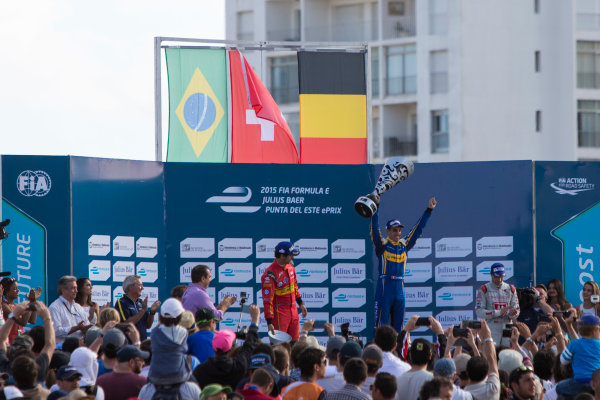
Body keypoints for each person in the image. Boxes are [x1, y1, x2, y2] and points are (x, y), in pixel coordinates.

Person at [370, 197, 436, 331]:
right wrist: (376, 208)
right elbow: (374, 229)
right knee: (380, 325)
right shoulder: (382, 245)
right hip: (384, 287)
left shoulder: (404, 245)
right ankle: (379, 351)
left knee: (399, 326)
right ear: (388, 231)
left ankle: (398, 351)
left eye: (399, 230)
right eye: (394, 230)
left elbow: (418, 229)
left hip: (399, 288)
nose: (398, 233)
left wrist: (429, 210)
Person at [193, 304, 261, 389]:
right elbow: (249, 346)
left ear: (213, 346)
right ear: (231, 348)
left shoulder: (199, 371)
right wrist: (255, 321)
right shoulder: (239, 366)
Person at [262, 241, 307, 340]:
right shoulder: (270, 274)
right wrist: (269, 322)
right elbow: (267, 300)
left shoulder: (290, 265)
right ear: (282, 256)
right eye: (291, 255)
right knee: (280, 346)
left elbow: (294, 286)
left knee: (295, 345)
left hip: (293, 311)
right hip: (280, 314)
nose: (293, 257)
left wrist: (301, 303)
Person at [556, 315, 600, 398]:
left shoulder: (574, 344)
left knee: (559, 387)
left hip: (578, 383)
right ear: (594, 331)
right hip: (596, 384)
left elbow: (563, 360)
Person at [475, 263, 520, 344]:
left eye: (501, 276)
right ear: (491, 275)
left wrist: (513, 314)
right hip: (492, 327)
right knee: (492, 353)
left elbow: (517, 309)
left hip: (507, 326)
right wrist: (498, 312)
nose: (499, 279)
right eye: (497, 276)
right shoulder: (484, 289)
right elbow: (479, 311)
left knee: (506, 354)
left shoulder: (511, 288)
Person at [48, 276, 93, 345]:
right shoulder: (54, 307)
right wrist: (75, 328)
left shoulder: (78, 307)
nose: (76, 291)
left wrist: (86, 328)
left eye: (76, 288)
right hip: (62, 349)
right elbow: (56, 331)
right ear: (63, 290)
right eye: (73, 288)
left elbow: (86, 325)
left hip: (79, 348)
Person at [115, 275, 160, 341]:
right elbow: (126, 324)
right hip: (129, 345)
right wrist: (143, 310)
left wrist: (152, 312)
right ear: (131, 287)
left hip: (142, 343)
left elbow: (148, 325)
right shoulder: (122, 302)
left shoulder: (140, 302)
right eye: (140, 285)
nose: (142, 288)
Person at [463, 321, 500, 400]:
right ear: (487, 372)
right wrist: (488, 336)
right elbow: (492, 360)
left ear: (467, 373)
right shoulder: (492, 389)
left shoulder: (460, 394)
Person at [1, 277, 39, 344]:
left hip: (18, 342)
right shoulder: (4, 306)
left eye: (17, 288)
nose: (18, 290)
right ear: (6, 291)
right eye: (15, 289)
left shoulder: (17, 305)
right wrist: (30, 304)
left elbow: (32, 320)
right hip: (8, 343)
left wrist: (33, 301)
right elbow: (23, 322)